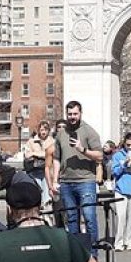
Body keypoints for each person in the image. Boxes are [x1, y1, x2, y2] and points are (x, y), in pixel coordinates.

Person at [49, 101, 103, 250]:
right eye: (70, 114)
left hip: (86, 181)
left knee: (89, 217)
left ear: (80, 113)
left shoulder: (89, 131)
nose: (72, 117)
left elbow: (99, 156)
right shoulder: (61, 134)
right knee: (72, 219)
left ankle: (92, 254)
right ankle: (76, 254)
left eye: (75, 114)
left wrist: (82, 149)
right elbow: (56, 158)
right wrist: (55, 180)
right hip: (66, 182)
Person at [24, 121, 54, 208]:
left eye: (45, 130)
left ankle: (47, 205)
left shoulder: (52, 141)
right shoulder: (31, 141)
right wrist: (44, 154)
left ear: (49, 131)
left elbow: (53, 154)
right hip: (34, 170)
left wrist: (35, 153)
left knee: (46, 184)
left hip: (47, 170)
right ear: (38, 130)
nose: (43, 132)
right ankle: (40, 204)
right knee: (37, 187)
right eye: (41, 130)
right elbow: (27, 155)